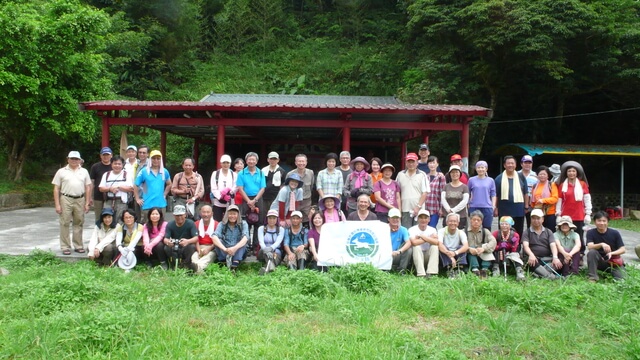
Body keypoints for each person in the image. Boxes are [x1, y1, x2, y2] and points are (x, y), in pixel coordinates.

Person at [52, 150, 92, 255]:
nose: (74, 161)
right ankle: (65, 246)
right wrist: (57, 204)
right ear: (68, 159)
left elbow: (88, 187)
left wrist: (87, 202)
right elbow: (56, 188)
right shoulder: (61, 171)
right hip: (66, 198)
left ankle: (78, 245)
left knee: (78, 222)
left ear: (80, 160)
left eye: (76, 159)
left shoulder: (84, 171)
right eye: (72, 158)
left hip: (80, 198)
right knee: (64, 222)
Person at [556, 161, 591, 254]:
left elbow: (587, 199)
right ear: (566, 173)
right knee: (564, 234)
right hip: (566, 215)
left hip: (579, 214)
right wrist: (558, 213)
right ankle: (564, 253)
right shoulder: (562, 185)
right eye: (569, 171)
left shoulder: (583, 184)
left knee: (579, 235)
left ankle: (580, 254)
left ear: (577, 173)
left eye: (573, 171)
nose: (571, 173)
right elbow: (559, 201)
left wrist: (588, 213)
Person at [236, 152, 266, 250]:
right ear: (246, 161)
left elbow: (262, 188)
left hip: (258, 198)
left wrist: (255, 200)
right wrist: (249, 201)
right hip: (246, 199)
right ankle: (246, 245)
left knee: (259, 222)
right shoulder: (241, 173)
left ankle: (256, 246)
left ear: (256, 161)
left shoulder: (261, 173)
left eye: (253, 159)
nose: (251, 161)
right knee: (246, 222)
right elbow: (240, 188)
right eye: (249, 159)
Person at [586, 211, 626, 282]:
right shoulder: (590, 233)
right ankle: (593, 277)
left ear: (608, 222)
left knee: (621, 280)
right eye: (599, 221)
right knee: (592, 252)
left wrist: (612, 253)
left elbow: (623, 249)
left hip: (613, 262)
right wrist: (601, 244)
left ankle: (614, 273)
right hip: (600, 262)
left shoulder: (615, 233)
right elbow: (590, 247)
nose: (601, 223)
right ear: (595, 222)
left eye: (604, 221)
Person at [522, 209, 562, 280]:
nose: (536, 220)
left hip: (547, 259)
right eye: (533, 218)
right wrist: (531, 255)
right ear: (531, 219)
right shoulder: (527, 232)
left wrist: (555, 257)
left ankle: (538, 273)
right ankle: (553, 277)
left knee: (560, 261)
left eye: (538, 218)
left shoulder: (548, 231)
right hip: (534, 259)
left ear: (542, 219)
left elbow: (553, 245)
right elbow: (525, 246)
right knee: (532, 262)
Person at [495, 155, 529, 237]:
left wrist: (526, 206)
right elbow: (496, 195)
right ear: (504, 165)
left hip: (518, 209)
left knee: (518, 230)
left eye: (512, 163)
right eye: (508, 163)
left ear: (515, 165)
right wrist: (495, 208)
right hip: (504, 209)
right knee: (504, 230)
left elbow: (525, 192)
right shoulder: (499, 178)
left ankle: (517, 247)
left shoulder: (521, 177)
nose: (510, 165)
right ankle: (504, 246)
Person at [134, 150, 171, 224]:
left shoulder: (164, 171)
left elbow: (169, 184)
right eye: (153, 158)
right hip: (147, 204)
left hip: (161, 204)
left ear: (161, 160)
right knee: (147, 226)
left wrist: (164, 194)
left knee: (161, 226)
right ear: (150, 159)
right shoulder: (144, 171)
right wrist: (137, 198)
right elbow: (135, 185)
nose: (156, 160)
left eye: (158, 158)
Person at [396, 153, 430, 228]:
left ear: (417, 163)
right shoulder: (400, 174)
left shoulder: (422, 174)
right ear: (406, 163)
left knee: (418, 232)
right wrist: (399, 209)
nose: (411, 164)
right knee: (406, 232)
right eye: (409, 162)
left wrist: (418, 207)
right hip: (405, 209)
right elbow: (397, 193)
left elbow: (425, 193)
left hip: (419, 210)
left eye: (413, 162)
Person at [211, 204, 249, 272]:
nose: (232, 216)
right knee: (218, 241)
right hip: (226, 249)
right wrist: (225, 249)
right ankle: (224, 263)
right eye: (230, 214)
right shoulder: (222, 224)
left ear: (238, 215)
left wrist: (234, 248)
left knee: (243, 243)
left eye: (234, 214)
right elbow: (214, 237)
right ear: (227, 215)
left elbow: (245, 238)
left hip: (238, 250)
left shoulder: (243, 224)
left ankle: (234, 266)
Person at [98, 156, 133, 223]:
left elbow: (131, 188)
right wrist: (110, 189)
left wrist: (118, 187)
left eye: (119, 164)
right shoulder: (106, 174)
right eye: (115, 163)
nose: (117, 165)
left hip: (121, 202)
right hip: (108, 201)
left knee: (121, 221)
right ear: (111, 164)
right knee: (107, 220)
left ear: (123, 165)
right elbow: (101, 188)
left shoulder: (126, 175)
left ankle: (120, 233)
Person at [163, 205, 198, 270]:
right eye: (177, 215)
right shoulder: (170, 224)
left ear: (185, 214)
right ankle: (173, 264)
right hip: (175, 245)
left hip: (186, 245)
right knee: (166, 247)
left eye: (181, 215)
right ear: (174, 215)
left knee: (192, 247)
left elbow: (196, 238)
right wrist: (168, 242)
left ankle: (186, 265)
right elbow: (165, 238)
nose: (179, 217)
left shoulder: (190, 223)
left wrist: (187, 241)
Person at [491, 216, 525, 280]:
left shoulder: (515, 235)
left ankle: (519, 272)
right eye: (502, 224)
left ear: (510, 225)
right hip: (498, 255)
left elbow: (514, 248)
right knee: (496, 253)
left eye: (506, 224)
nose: (504, 226)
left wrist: (509, 245)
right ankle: (496, 269)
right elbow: (491, 246)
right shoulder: (495, 234)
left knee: (515, 254)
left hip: (510, 254)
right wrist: (499, 247)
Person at [409, 209, 439, 279]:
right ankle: (421, 274)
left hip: (428, 255)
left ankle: (431, 273)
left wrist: (422, 237)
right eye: (421, 218)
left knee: (434, 247)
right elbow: (414, 242)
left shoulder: (433, 229)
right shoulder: (412, 229)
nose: (423, 220)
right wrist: (429, 238)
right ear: (418, 219)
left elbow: (436, 242)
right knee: (416, 247)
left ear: (429, 219)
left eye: (425, 218)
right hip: (417, 256)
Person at [466, 211, 497, 278]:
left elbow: (493, 241)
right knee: (471, 248)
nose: (476, 222)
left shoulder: (485, 231)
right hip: (470, 256)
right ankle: (475, 270)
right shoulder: (464, 231)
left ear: (481, 222)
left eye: (478, 220)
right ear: (470, 220)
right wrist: (469, 249)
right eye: (474, 220)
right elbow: (460, 245)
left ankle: (484, 270)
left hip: (482, 254)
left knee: (487, 248)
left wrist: (483, 248)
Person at [437, 213, 469, 278]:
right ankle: (449, 270)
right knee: (443, 247)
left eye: (455, 221)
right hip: (446, 253)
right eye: (450, 221)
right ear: (446, 222)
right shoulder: (441, 231)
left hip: (455, 253)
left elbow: (466, 246)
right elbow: (440, 245)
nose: (452, 223)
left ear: (458, 223)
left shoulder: (461, 232)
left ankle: (460, 269)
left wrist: (455, 253)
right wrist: (450, 256)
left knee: (461, 247)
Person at [467, 160, 496, 230]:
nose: (480, 169)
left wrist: (493, 206)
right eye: (478, 167)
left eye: (482, 167)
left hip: (487, 207)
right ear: (476, 169)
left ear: (486, 169)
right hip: (474, 207)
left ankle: (486, 241)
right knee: (474, 227)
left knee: (487, 227)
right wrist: (468, 204)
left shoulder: (491, 180)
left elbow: (493, 193)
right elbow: (467, 192)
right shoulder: (471, 180)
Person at [190, 205, 219, 274]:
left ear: (212, 214)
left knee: (207, 258)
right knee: (194, 257)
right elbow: (195, 238)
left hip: (212, 247)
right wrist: (199, 250)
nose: (206, 214)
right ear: (200, 213)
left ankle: (195, 269)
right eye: (204, 212)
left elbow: (218, 240)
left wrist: (209, 249)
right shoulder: (196, 224)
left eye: (208, 212)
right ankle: (200, 271)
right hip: (199, 247)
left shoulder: (217, 224)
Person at [286, 154, 315, 222]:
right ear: (295, 162)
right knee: (295, 219)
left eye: (303, 161)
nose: (301, 163)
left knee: (307, 220)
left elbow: (311, 186)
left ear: (306, 162)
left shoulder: (311, 172)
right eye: (299, 161)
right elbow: (287, 189)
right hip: (294, 201)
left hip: (307, 201)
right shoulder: (290, 174)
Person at [441, 165, 469, 230]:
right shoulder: (446, 186)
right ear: (449, 174)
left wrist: (454, 210)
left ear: (460, 174)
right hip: (447, 215)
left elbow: (465, 201)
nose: (455, 174)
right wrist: (448, 209)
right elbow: (443, 199)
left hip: (461, 216)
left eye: (456, 172)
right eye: (452, 172)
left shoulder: (464, 187)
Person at [210, 154, 237, 222]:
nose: (225, 164)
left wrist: (229, 192)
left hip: (230, 202)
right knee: (217, 221)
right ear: (221, 163)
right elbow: (213, 188)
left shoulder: (234, 174)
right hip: (217, 202)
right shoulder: (215, 173)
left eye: (227, 163)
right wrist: (221, 196)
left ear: (230, 164)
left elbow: (235, 186)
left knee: (229, 221)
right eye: (224, 162)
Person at [531, 166, 558, 231]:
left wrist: (543, 200)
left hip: (549, 213)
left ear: (548, 176)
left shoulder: (552, 185)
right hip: (538, 214)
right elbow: (532, 201)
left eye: (544, 174)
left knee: (550, 232)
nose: (542, 176)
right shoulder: (534, 186)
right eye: (540, 174)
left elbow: (555, 198)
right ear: (537, 175)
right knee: (538, 232)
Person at [257, 209, 285, 275]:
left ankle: (266, 269)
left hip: (276, 251)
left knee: (274, 256)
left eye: (274, 218)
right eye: (270, 218)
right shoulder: (261, 228)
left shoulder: (281, 229)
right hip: (263, 250)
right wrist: (266, 250)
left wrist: (271, 249)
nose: (271, 220)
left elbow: (278, 242)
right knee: (266, 253)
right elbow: (261, 242)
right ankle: (271, 268)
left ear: (277, 219)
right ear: (267, 219)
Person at [90, 146, 114, 220]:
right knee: (98, 217)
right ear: (100, 156)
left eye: (107, 155)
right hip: (98, 196)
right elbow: (92, 182)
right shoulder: (95, 166)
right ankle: (98, 231)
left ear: (111, 155)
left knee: (110, 217)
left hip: (111, 196)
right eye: (104, 155)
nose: (106, 157)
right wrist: (90, 197)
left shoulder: (115, 166)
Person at [388, 208, 413, 274]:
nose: (395, 220)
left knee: (408, 249)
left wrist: (399, 251)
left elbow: (408, 242)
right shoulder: (384, 228)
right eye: (393, 218)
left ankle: (402, 270)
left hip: (397, 254)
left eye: (397, 218)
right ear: (388, 219)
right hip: (386, 254)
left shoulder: (403, 229)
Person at [425, 156, 445, 228]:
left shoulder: (441, 177)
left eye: (434, 163)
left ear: (437, 164)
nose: (432, 165)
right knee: (424, 228)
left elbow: (443, 193)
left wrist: (441, 208)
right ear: (427, 164)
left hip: (435, 208)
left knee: (432, 228)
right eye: (430, 163)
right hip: (425, 207)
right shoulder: (424, 176)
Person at [519, 155, 538, 228]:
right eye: (525, 162)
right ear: (521, 164)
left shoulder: (536, 176)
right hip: (519, 202)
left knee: (531, 224)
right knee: (518, 223)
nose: (527, 164)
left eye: (529, 163)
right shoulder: (516, 174)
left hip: (531, 204)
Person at [133, 145, 149, 219]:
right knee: (137, 219)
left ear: (147, 154)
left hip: (146, 196)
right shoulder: (137, 164)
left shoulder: (151, 165)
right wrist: (136, 198)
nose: (141, 154)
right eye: (140, 152)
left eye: (144, 153)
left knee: (145, 219)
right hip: (137, 196)